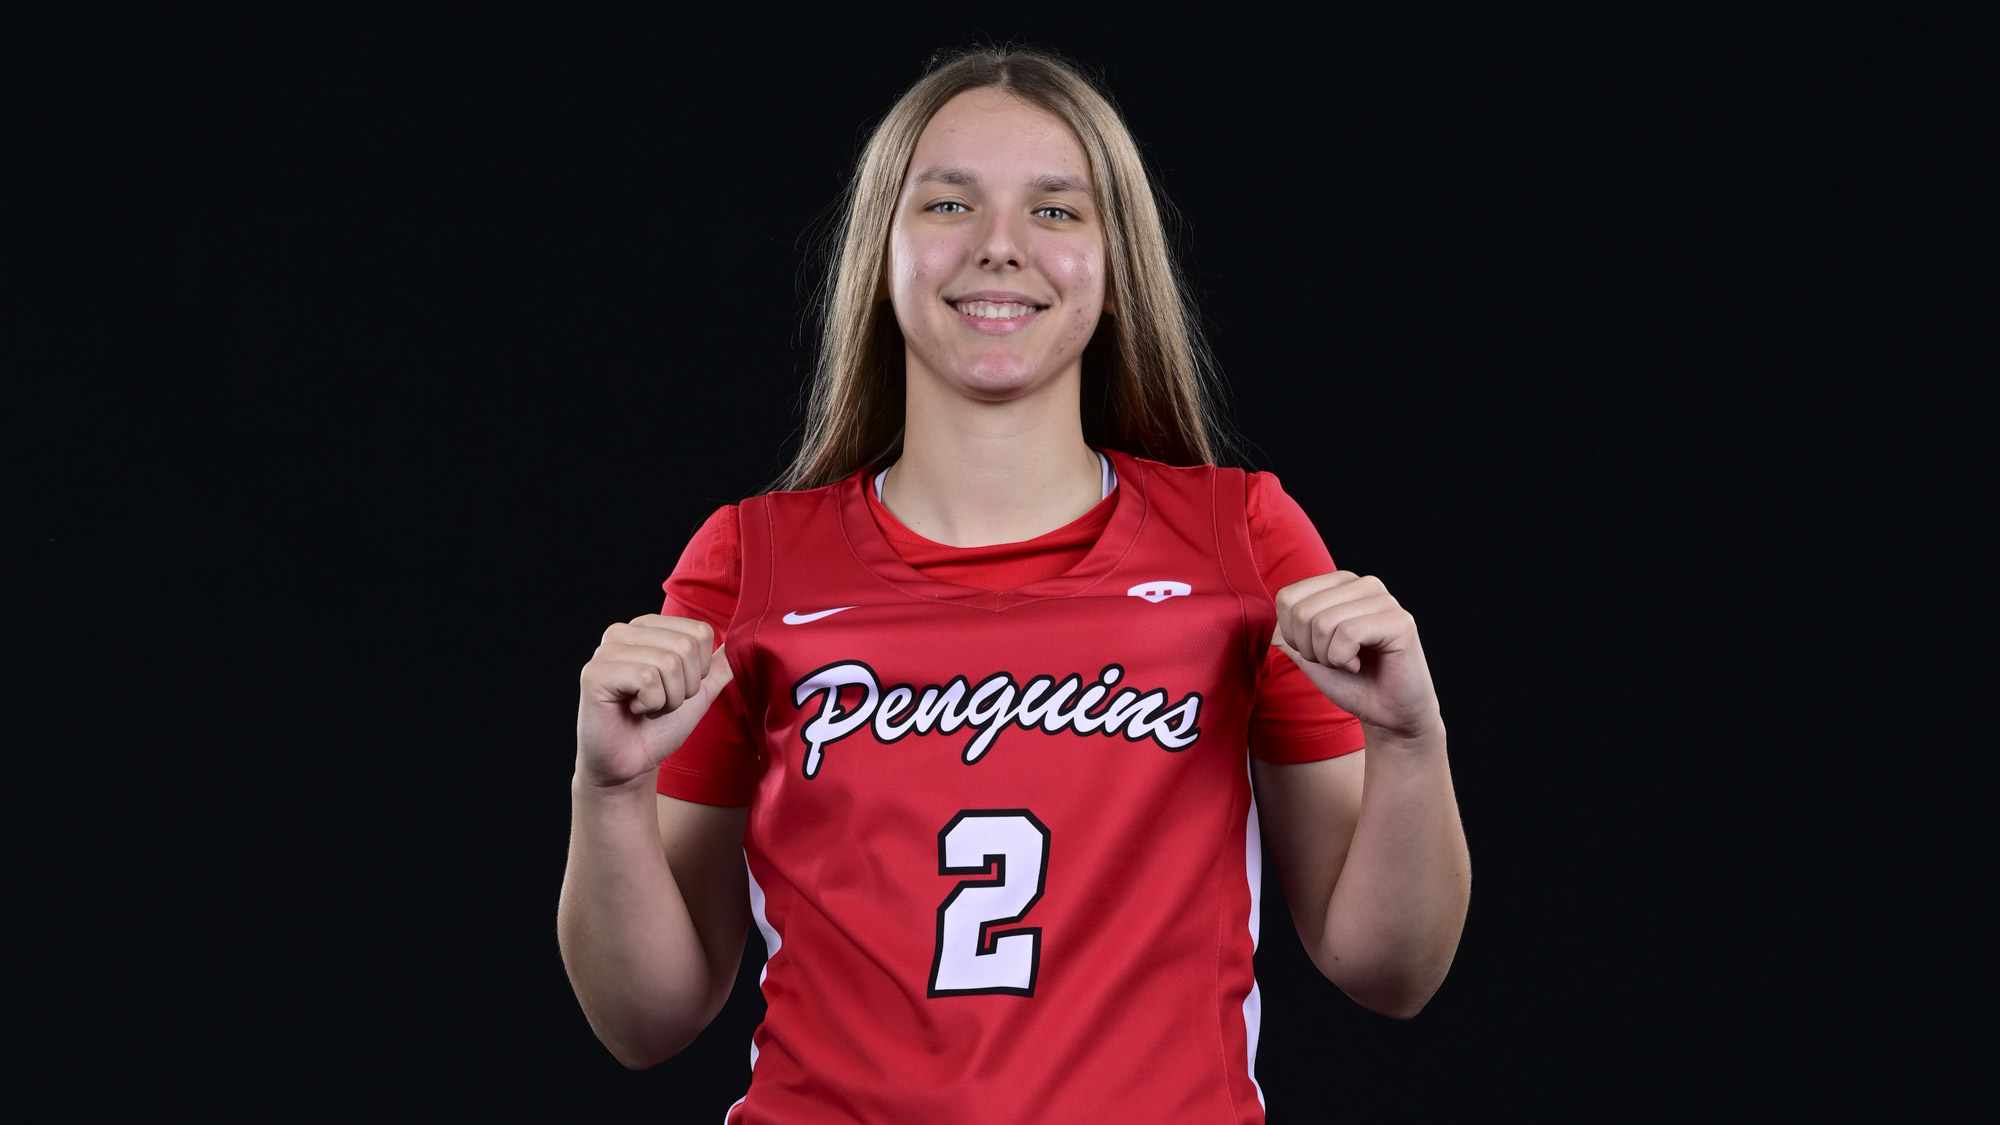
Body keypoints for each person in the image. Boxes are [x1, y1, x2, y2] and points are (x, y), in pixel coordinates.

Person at [559, 46, 1469, 1124]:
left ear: (1114, 261)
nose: (998, 247)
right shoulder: (749, 563)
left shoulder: (1241, 543)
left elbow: (1389, 970)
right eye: (948, 202)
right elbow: (643, 1020)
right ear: (881, 254)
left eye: (1055, 211)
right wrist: (606, 791)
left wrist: (1411, 743)